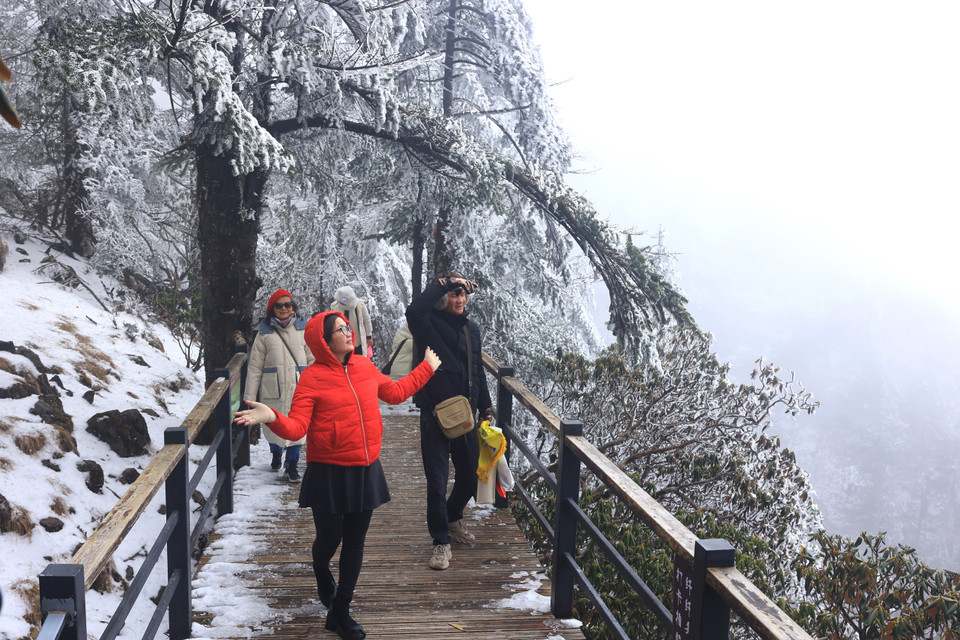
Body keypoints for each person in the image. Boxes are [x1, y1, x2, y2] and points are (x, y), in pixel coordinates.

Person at [235, 311, 441, 640]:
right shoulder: (312, 379)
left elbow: (396, 393)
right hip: (328, 472)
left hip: (365, 468)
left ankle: (340, 612)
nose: (348, 332)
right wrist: (271, 415)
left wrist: (426, 368)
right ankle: (319, 568)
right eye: (340, 329)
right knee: (330, 540)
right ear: (324, 341)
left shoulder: (365, 367)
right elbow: (298, 427)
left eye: (347, 326)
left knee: (355, 542)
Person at [405, 273, 493, 570]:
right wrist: (443, 282)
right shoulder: (427, 323)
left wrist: (487, 406)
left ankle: (453, 516)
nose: (460, 300)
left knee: (470, 476)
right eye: (454, 295)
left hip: (466, 416)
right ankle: (441, 542)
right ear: (444, 298)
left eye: (463, 295)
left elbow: (478, 370)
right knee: (437, 482)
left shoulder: (472, 330)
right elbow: (413, 310)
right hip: (435, 415)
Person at [243, 289, 314, 482]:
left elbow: (313, 359)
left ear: (293, 307)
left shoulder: (303, 329)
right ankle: (276, 452)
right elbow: (255, 366)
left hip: (299, 388)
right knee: (273, 426)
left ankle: (291, 465)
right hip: (272, 389)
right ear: (272, 309)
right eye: (279, 305)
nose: (284, 309)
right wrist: (249, 397)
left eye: (287, 304)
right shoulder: (264, 333)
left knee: (298, 428)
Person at [330, 285, 373, 357]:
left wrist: (369, 336)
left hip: (358, 341)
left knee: (359, 361)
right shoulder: (335, 306)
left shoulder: (360, 305)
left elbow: (367, 320)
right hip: (343, 342)